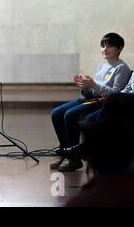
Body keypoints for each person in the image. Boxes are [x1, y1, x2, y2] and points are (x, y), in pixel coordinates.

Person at [50, 33, 131, 172]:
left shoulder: (121, 68)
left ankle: (74, 158)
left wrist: (93, 85)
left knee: (70, 115)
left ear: (119, 48)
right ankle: (64, 148)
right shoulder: (101, 67)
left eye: (109, 45)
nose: (104, 49)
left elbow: (114, 93)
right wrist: (85, 87)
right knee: (56, 113)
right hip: (91, 98)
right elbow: (92, 91)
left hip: (101, 102)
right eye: (102, 45)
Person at [65, 95, 134, 206]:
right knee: (64, 113)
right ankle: (78, 150)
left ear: (93, 161)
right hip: (102, 98)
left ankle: (81, 150)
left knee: (110, 102)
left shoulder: (83, 201)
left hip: (121, 101)